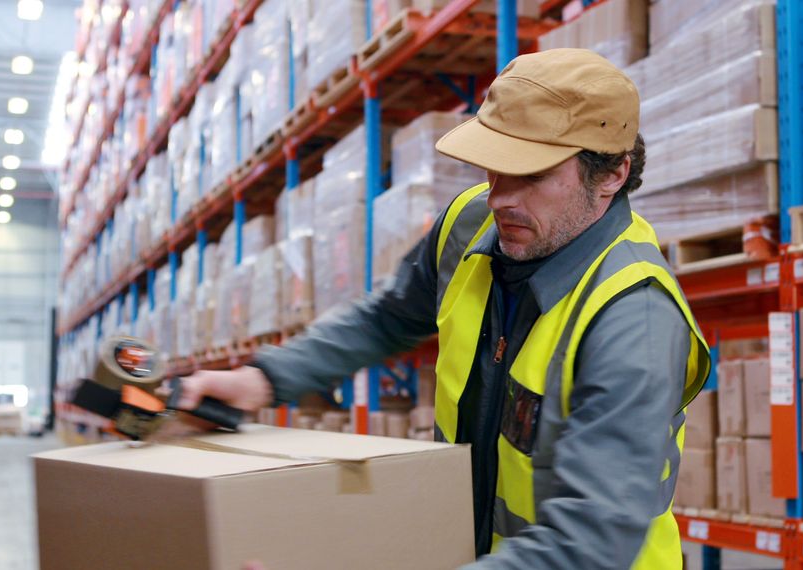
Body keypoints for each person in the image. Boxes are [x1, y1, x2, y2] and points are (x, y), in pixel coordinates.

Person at [177, 48, 710, 569]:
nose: (500, 197)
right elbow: (386, 318)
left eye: (533, 175)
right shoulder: (470, 225)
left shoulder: (632, 319)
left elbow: (591, 535)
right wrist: (263, 380)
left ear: (611, 175)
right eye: (495, 169)